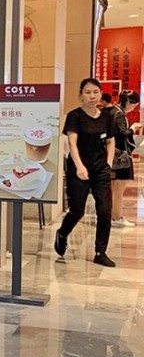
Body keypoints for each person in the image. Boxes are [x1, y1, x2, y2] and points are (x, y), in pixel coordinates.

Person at [54, 77, 116, 267]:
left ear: (100, 94)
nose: (92, 96)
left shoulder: (107, 117)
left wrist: (108, 163)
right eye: (87, 92)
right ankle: (62, 233)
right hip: (78, 169)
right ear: (81, 95)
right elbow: (72, 143)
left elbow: (111, 141)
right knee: (77, 211)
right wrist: (80, 166)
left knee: (104, 210)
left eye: (95, 92)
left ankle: (100, 252)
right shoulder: (75, 116)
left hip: (101, 169)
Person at [110, 90, 142, 228]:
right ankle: (116, 217)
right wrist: (133, 128)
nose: (133, 109)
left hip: (114, 155)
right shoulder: (119, 114)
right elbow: (123, 134)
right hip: (120, 157)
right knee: (118, 189)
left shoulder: (114, 111)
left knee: (114, 189)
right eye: (133, 105)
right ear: (128, 102)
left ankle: (113, 216)